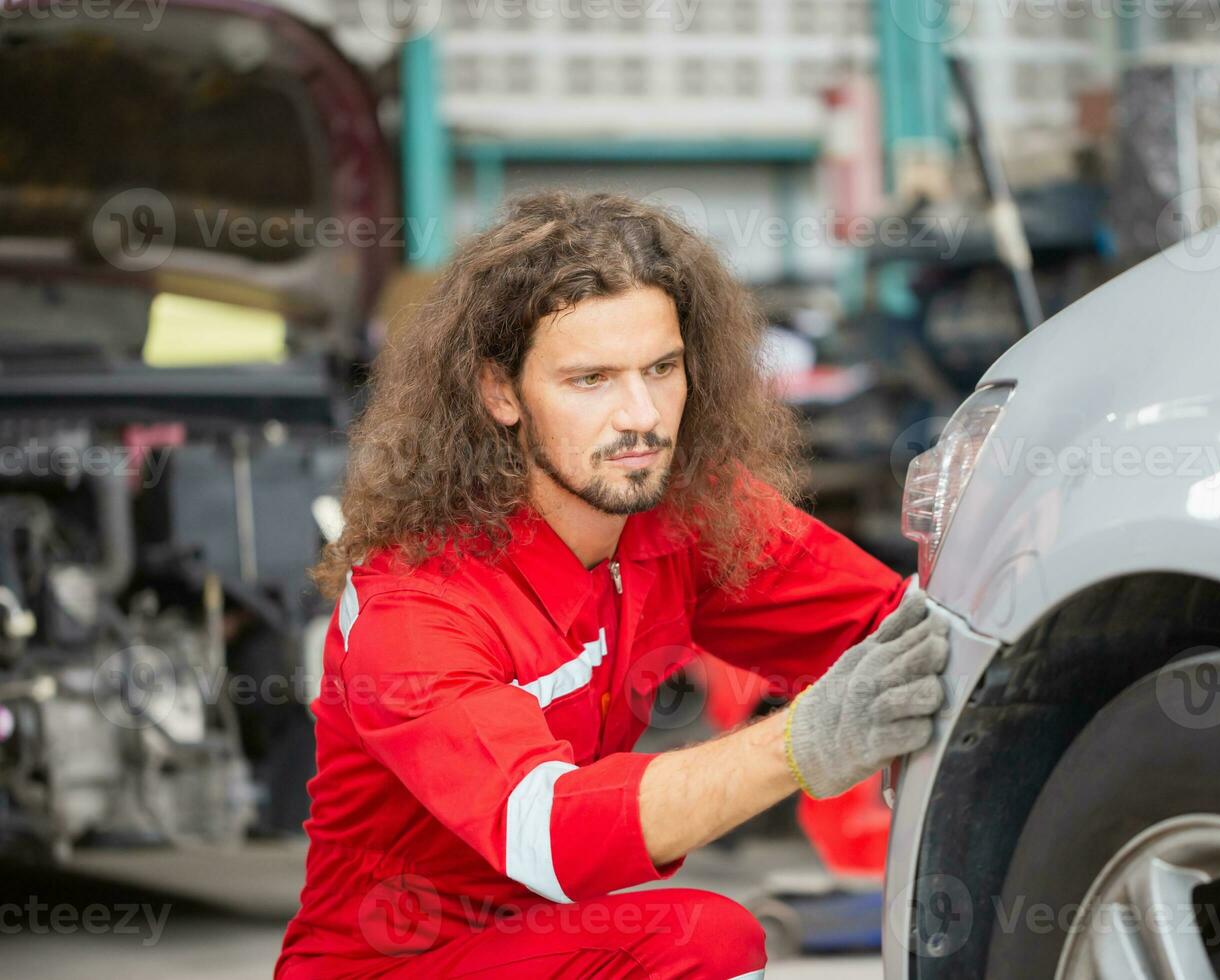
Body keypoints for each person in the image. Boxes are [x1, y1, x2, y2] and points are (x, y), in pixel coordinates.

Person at [275, 191, 949, 979]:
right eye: (590, 379)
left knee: (704, 940)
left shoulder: (686, 510)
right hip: (393, 967)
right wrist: (805, 742)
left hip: (551, 946)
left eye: (661, 369)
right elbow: (548, 833)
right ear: (499, 392)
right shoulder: (418, 603)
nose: (641, 417)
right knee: (701, 943)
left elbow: (900, 625)